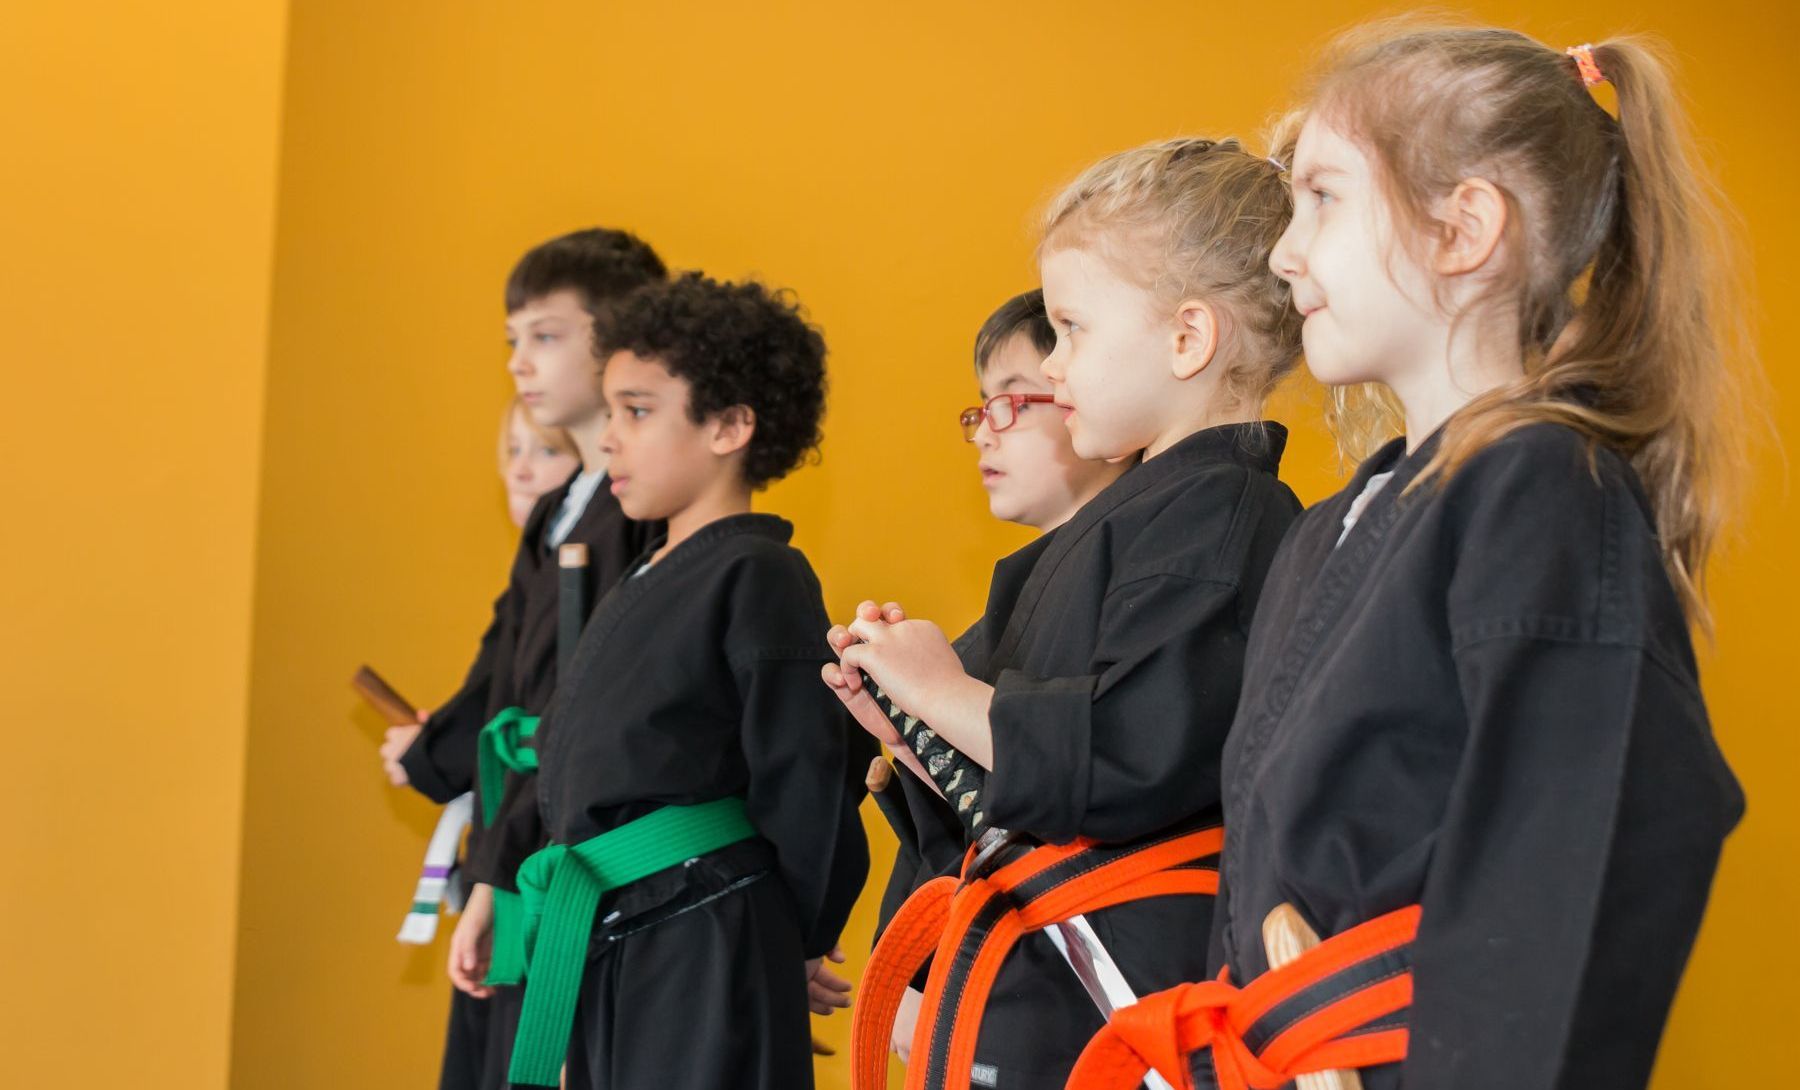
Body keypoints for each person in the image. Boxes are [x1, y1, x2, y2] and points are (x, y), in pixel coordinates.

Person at [1067, 24, 1749, 1090]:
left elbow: (1574, 887)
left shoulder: (1543, 494)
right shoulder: (1331, 526)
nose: (1286, 252)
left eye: (1324, 198)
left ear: (1464, 228)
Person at [832, 137, 1305, 1090]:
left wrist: (944, 689)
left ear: (1187, 338)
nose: (1055, 367)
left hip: (1114, 1004)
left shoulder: (1225, 513)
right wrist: (918, 725)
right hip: (1035, 977)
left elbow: (1130, 751)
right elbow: (1024, 779)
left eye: (1072, 330)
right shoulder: (1119, 528)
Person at [500, 273, 872, 1090]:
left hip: (705, 935)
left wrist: (792, 937)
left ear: (732, 425)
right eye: (611, 414)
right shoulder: (641, 575)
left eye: (637, 412)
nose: (610, 442)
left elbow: (809, 774)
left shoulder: (758, 572)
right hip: (614, 929)